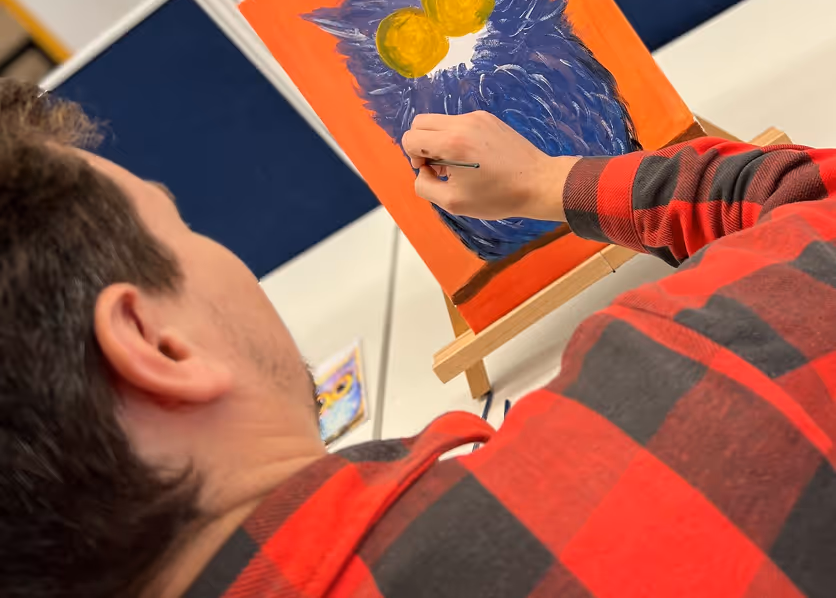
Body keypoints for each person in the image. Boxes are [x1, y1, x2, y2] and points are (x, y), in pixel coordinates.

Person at [2, 82, 835, 598]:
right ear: (158, 346)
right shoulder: (667, 429)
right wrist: (553, 180)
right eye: (179, 227)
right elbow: (814, 202)